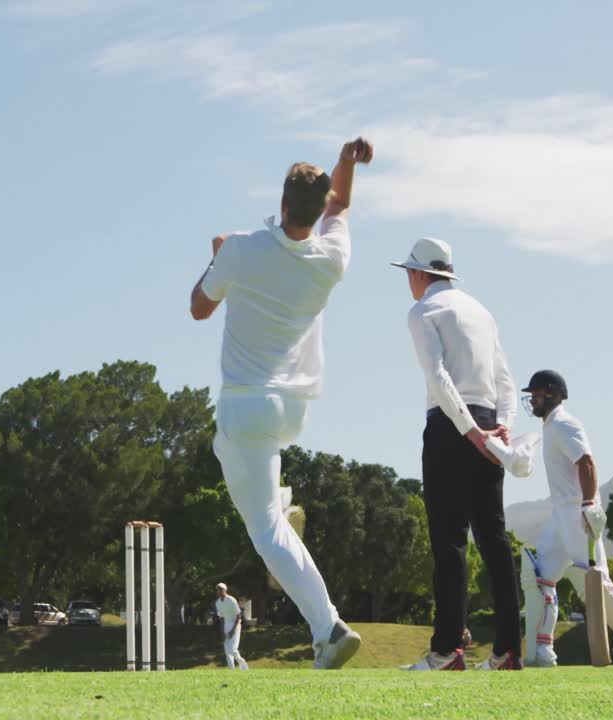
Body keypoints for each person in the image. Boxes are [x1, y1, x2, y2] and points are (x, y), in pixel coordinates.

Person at [190, 137, 372, 669]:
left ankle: (329, 627)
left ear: (283, 203)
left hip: (246, 406)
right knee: (256, 492)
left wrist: (215, 258)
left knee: (266, 530)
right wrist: (347, 164)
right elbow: (340, 204)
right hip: (291, 409)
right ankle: (281, 498)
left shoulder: (242, 248)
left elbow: (199, 307)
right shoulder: (331, 257)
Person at [392, 237, 523, 671]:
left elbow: (438, 376)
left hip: (453, 427)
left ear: (417, 274)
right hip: (487, 421)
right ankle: (508, 651)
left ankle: (447, 650)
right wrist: (500, 428)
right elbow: (506, 380)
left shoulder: (422, 311)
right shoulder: (481, 312)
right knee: (494, 538)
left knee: (449, 543)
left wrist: (469, 432)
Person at [519, 370, 613, 668]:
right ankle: (542, 651)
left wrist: (589, 504)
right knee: (539, 578)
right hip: (560, 517)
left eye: (536, 393)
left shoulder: (564, 423)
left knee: (598, 585)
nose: (531, 399)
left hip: (577, 515)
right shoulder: (550, 426)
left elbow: (586, 461)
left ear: (552, 394)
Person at [214, 583, 248, 670]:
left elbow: (238, 615)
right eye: (218, 589)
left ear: (225, 590)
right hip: (226, 625)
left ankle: (243, 665)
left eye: (221, 589)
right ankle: (231, 669)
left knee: (232, 649)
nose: (219, 591)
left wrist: (233, 630)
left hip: (235, 624)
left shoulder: (231, 600)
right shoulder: (218, 603)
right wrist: (222, 631)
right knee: (227, 651)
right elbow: (221, 617)